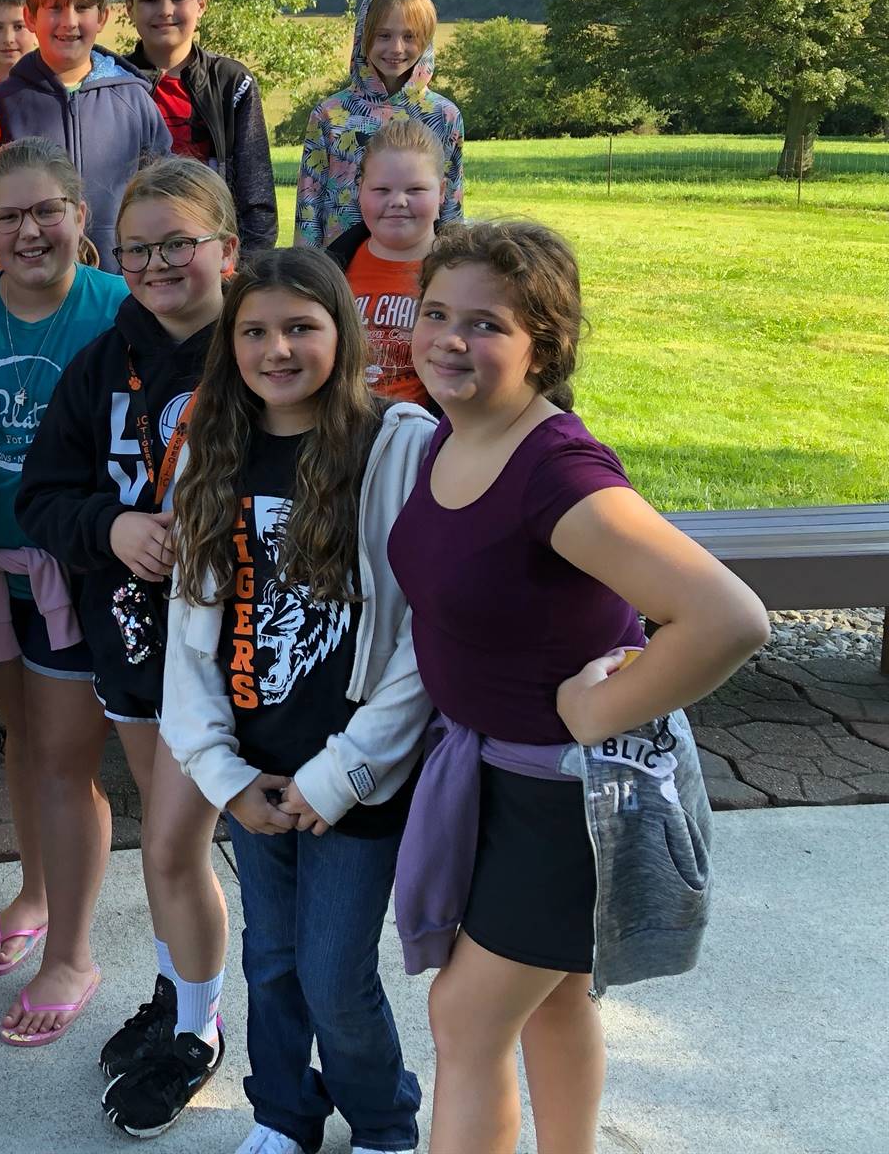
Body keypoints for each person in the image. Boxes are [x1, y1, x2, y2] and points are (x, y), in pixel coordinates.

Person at [387, 221, 768, 1154]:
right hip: (498, 780)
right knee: (554, 999)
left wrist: (596, 708)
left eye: (485, 325)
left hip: (566, 796)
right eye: (435, 313)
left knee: (466, 1020)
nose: (448, 340)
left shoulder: (555, 473)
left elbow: (728, 617)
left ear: (543, 346)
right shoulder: (456, 431)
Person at [160, 245, 437, 1154]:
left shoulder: (396, 448)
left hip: (357, 774)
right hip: (253, 769)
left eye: (301, 328)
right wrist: (222, 775)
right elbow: (192, 632)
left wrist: (342, 776)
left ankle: (385, 1122)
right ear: (229, 344)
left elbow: (418, 641)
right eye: (254, 331)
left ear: (342, 332)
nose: (277, 349)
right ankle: (283, 1115)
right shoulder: (213, 447)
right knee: (271, 964)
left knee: (333, 973)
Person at [16, 158, 238, 1134]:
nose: (156, 263)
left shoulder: (264, 353)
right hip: (134, 645)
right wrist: (111, 529)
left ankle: (202, 1029)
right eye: (139, 247)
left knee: (180, 847)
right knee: (167, 837)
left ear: (226, 249)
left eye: (178, 244)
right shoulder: (105, 364)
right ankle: (175, 992)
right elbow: (42, 497)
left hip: (236, 658)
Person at [0, 138, 128, 1047]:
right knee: (24, 742)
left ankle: (73, 955)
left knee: (63, 760)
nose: (29, 229)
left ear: (83, 219)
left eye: (48, 211)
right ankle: (37, 894)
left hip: (79, 570)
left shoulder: (119, 308)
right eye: (7, 215)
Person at [0, 0, 170, 269]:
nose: (69, 21)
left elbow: (165, 193)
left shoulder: (134, 100)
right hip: (31, 283)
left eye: (83, 7)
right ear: (31, 17)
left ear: (102, 17)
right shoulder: (2, 104)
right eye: (55, 8)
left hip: (123, 282)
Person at [123, 0, 278, 253]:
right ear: (129, 8)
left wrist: (244, 276)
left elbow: (257, 199)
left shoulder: (232, 83)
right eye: (150, 0)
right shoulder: (114, 83)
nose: (165, 11)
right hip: (135, 261)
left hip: (215, 262)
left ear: (201, 5)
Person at [294, 0, 463, 249]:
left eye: (409, 37)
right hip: (340, 272)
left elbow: (451, 206)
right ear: (364, 36)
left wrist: (452, 269)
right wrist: (307, 277)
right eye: (384, 36)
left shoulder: (444, 116)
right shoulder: (329, 115)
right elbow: (309, 206)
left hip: (419, 268)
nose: (396, 48)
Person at [326, 118, 448, 409]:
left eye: (416, 190)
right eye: (381, 190)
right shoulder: (330, 269)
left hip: (426, 437)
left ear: (442, 193)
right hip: (339, 429)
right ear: (360, 190)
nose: (398, 201)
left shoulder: (464, 273)